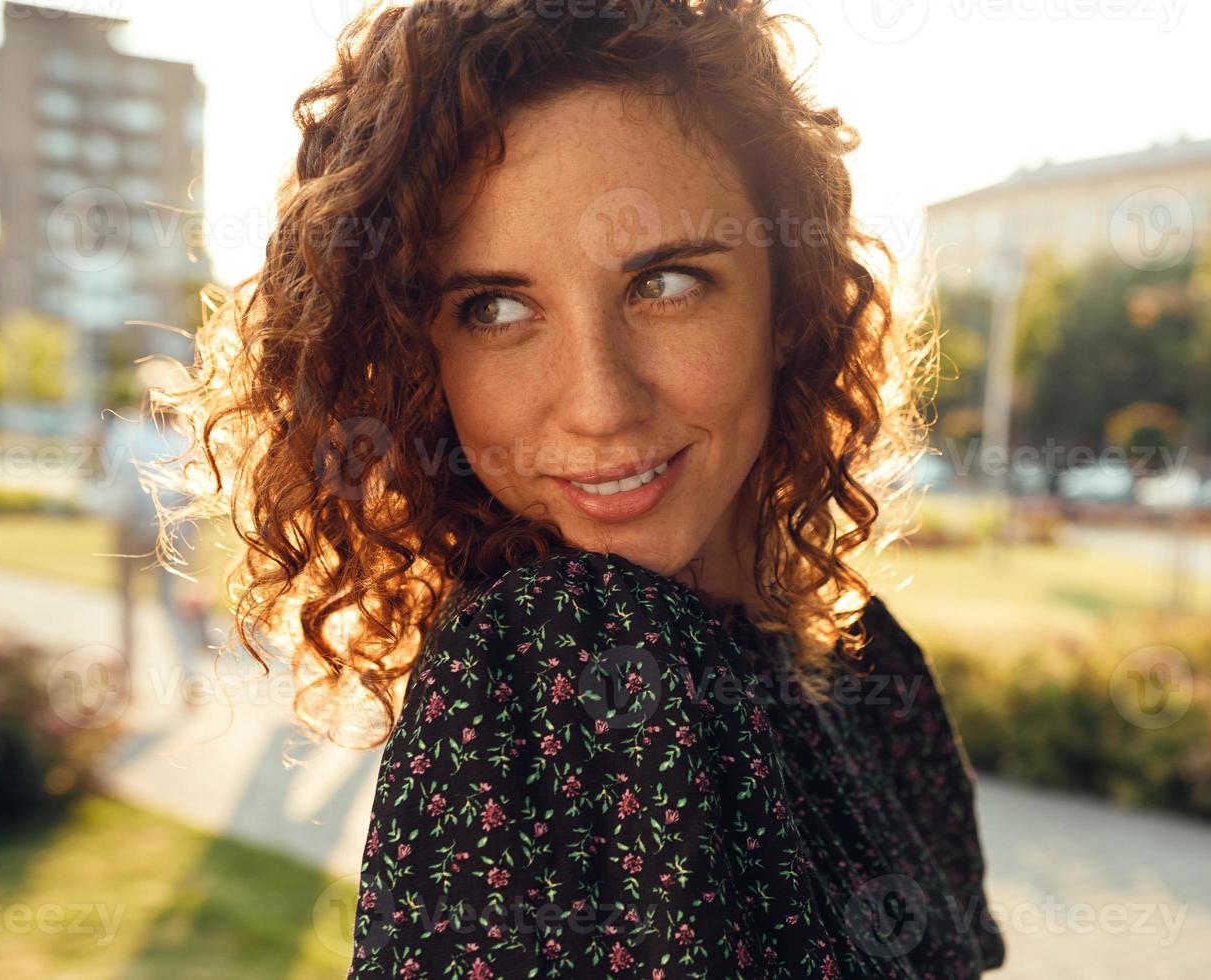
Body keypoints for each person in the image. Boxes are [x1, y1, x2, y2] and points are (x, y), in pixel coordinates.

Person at [164, 1, 1007, 975]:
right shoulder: (544, 675)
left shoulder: (868, 663)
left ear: (790, 294)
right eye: (497, 306)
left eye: (666, 282)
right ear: (414, 359)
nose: (602, 404)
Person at [99, 360, 210, 692]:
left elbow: (113, 483)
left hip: (130, 527)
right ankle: (189, 673)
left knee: (127, 602)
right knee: (171, 604)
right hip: (172, 532)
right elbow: (194, 495)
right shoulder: (185, 438)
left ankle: (126, 678)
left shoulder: (125, 432)